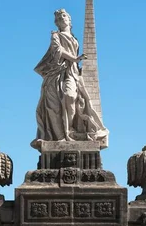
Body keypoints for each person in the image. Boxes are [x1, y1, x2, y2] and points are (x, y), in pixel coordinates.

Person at [32, 9, 108, 146]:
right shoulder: (56, 35)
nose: (61, 19)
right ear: (56, 23)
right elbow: (58, 50)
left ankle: (72, 130)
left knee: (70, 96)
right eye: (59, 18)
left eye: (64, 16)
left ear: (69, 20)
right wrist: (75, 58)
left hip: (72, 72)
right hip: (57, 73)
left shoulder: (74, 38)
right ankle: (63, 134)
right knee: (58, 103)